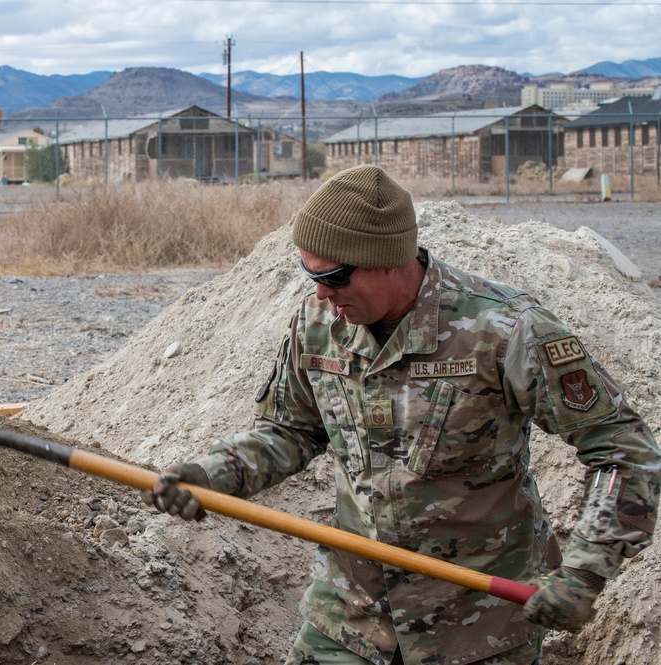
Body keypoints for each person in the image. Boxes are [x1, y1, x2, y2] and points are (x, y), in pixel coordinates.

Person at [141, 165, 661, 665]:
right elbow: (290, 431)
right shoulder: (318, 323)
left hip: (476, 624)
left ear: (389, 259)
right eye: (311, 274)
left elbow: (623, 450)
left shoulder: (505, 329)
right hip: (350, 612)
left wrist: (586, 570)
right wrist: (215, 473)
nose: (321, 293)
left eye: (336, 278)